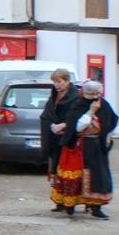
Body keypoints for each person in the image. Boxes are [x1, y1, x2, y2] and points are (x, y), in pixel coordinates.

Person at [54, 80, 117, 219]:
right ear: (85, 93)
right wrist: (91, 111)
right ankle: (70, 205)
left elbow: (112, 120)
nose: (95, 96)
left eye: (97, 93)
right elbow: (77, 127)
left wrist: (108, 135)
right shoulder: (78, 105)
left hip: (97, 147)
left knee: (99, 177)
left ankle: (96, 207)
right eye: (91, 94)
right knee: (76, 176)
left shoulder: (104, 104)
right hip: (79, 147)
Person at [41, 68, 79, 212]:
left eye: (59, 82)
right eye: (55, 82)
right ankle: (59, 201)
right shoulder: (54, 95)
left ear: (67, 81)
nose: (57, 85)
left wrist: (64, 125)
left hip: (69, 140)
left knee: (68, 172)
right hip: (54, 139)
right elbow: (47, 113)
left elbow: (77, 116)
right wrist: (50, 124)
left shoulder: (75, 96)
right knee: (56, 169)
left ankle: (71, 203)